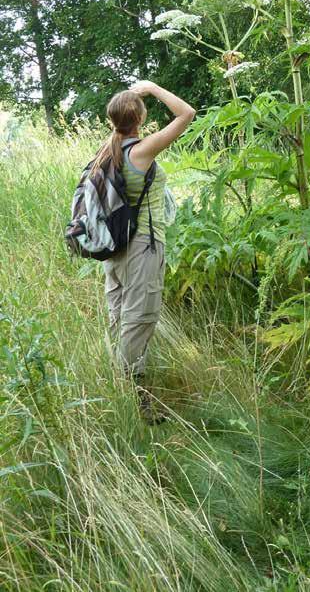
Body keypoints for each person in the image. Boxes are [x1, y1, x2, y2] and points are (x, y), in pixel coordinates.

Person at [94, 80, 196, 423]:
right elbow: (187, 113)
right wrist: (151, 88)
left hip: (114, 249)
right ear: (140, 117)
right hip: (143, 247)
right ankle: (134, 405)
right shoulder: (140, 151)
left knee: (119, 318)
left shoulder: (107, 152)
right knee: (138, 322)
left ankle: (121, 395)